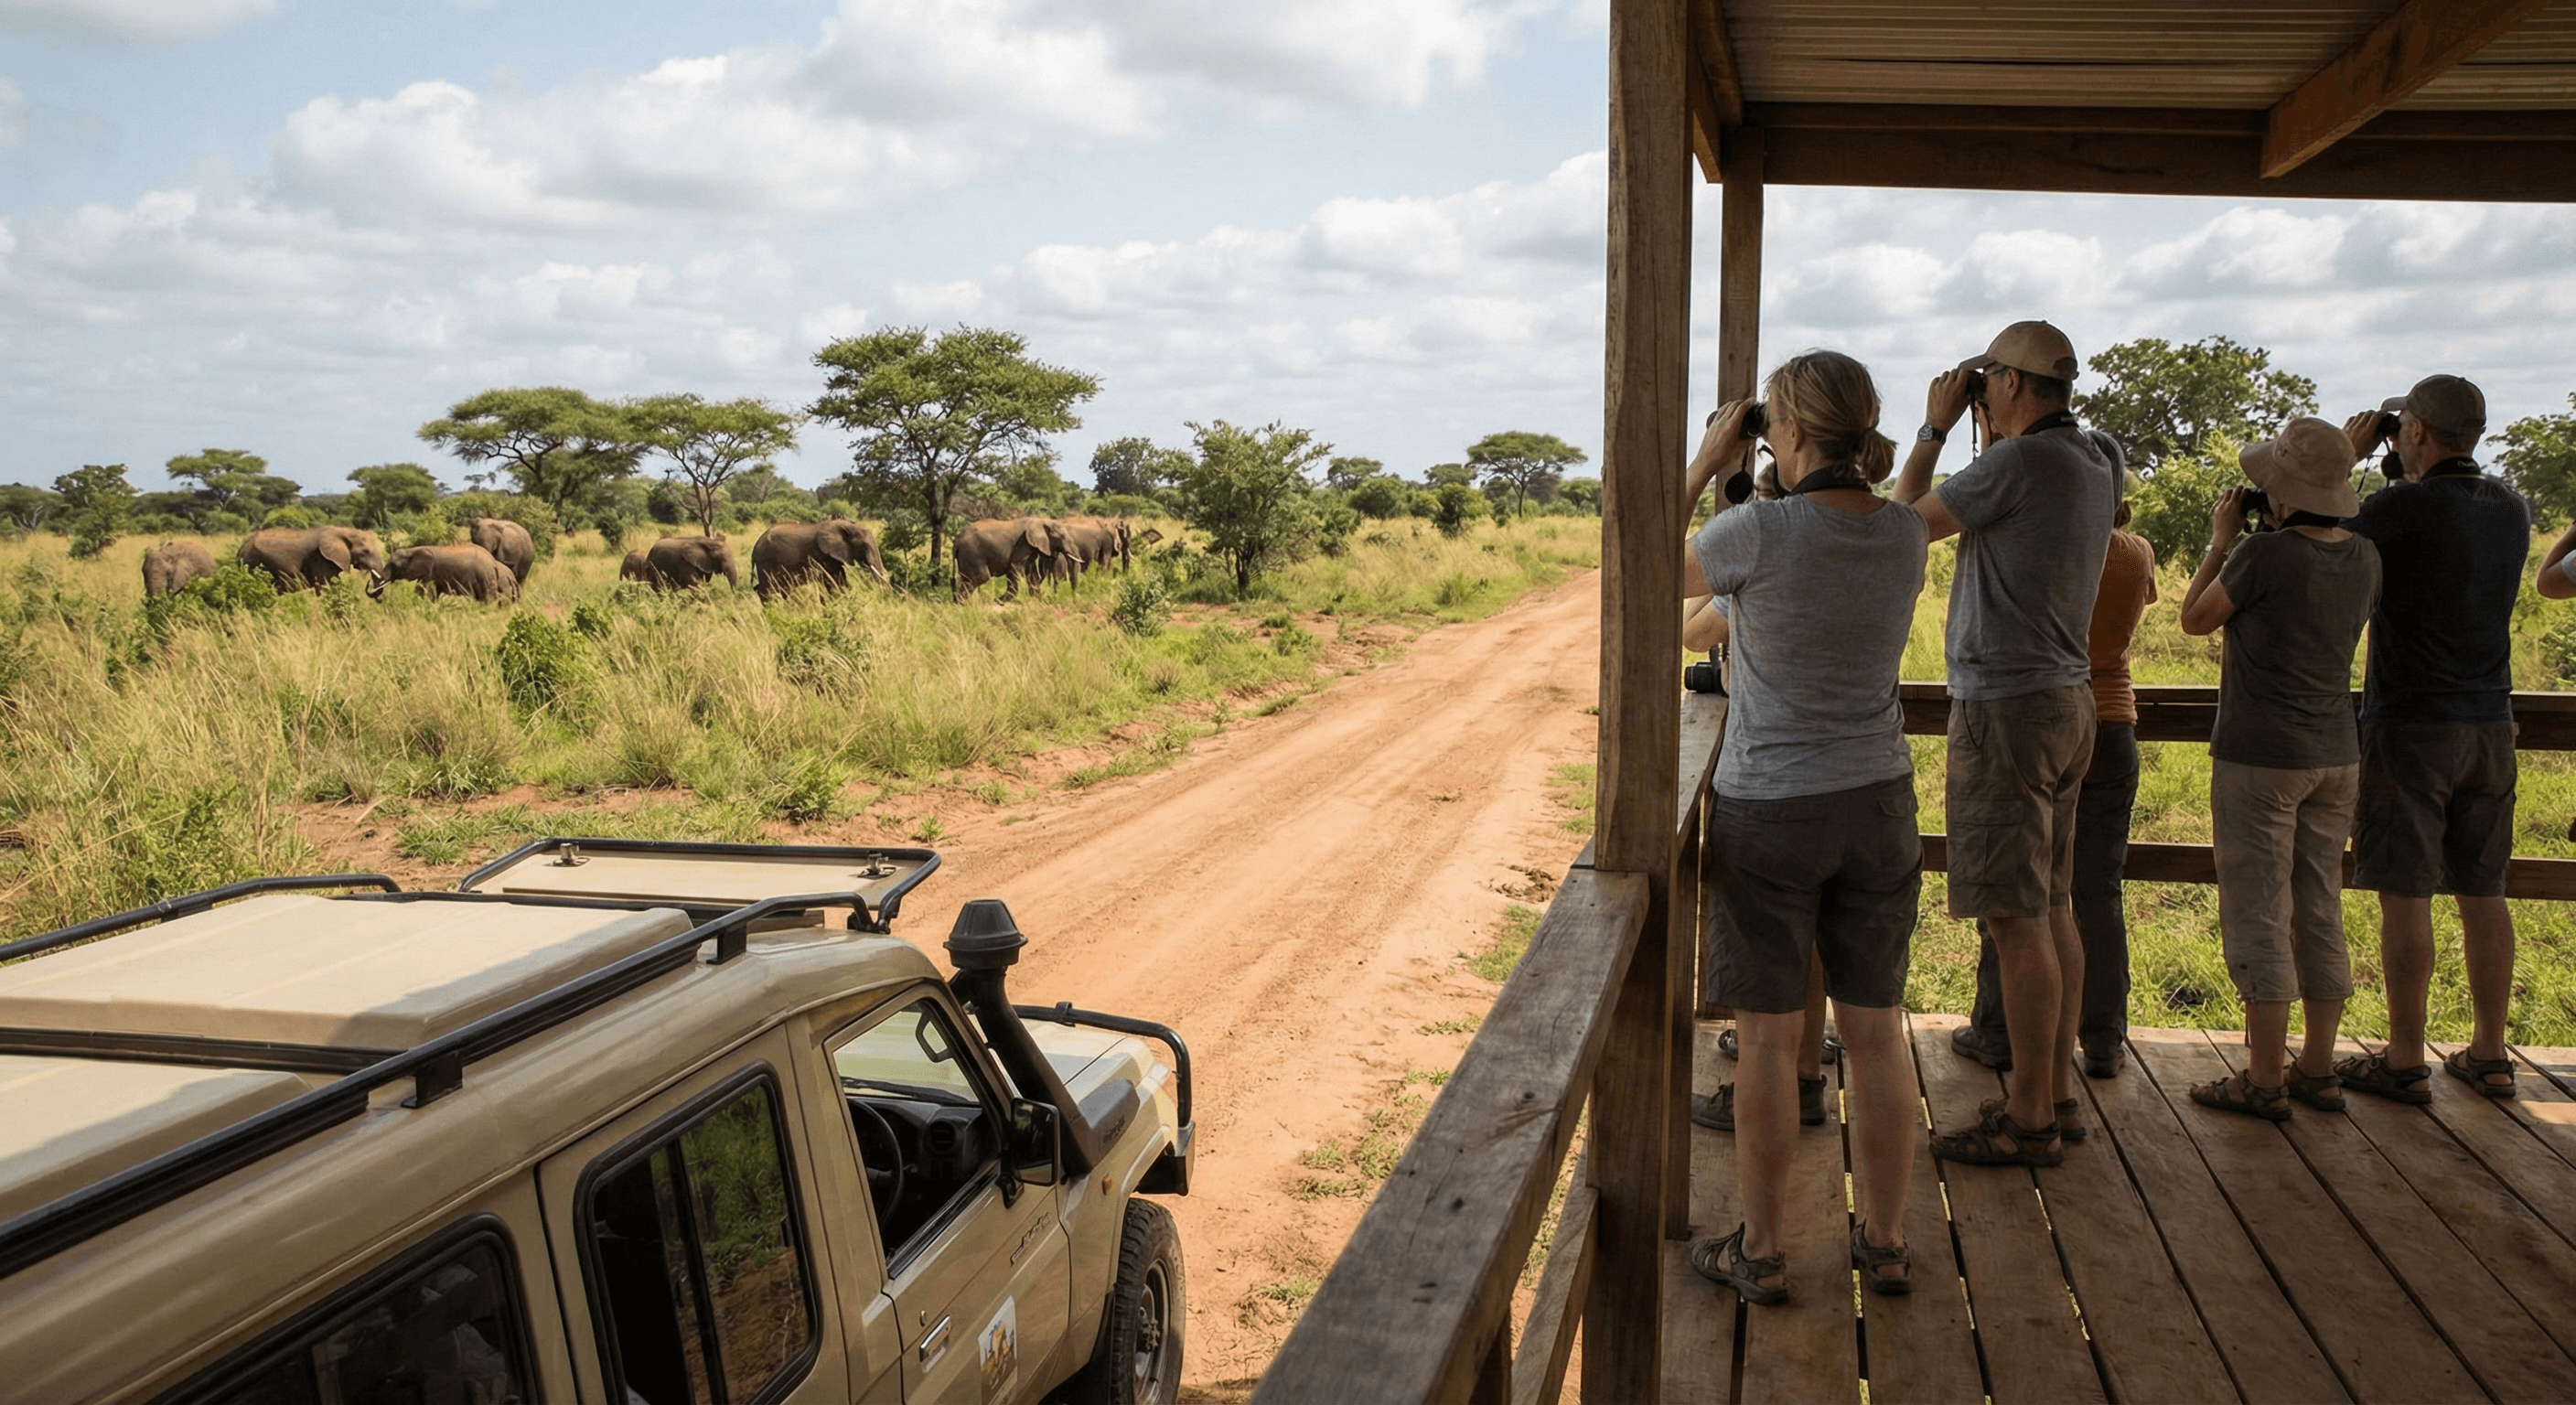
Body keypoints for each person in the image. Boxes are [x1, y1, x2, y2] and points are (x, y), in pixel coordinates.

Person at [1679, 350, 1927, 1306]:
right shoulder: (1902, 532)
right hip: (1877, 797)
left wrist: (1705, 459)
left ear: (1784, 429)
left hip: (1772, 804)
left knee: (1772, 1043)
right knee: (1875, 1036)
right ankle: (1889, 1239)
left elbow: (1643, 575)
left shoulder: (1759, 531)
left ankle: (1767, 1249)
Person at [1894, 320, 2120, 1168]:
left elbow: (1899, 525)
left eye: (1988, 377)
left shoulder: (2018, 462)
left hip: (2008, 707)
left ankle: (2028, 1115)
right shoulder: (2099, 455)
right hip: (2071, 699)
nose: (1980, 388)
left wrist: (1935, 430)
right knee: (2054, 905)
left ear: (2015, 386)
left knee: (2015, 920)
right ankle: (2054, 1094)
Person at [2333, 376, 2530, 1103]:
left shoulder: (2401, 506)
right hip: (2491, 721)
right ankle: (2489, 1052)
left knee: (2405, 892)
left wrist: (2347, 458)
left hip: (2412, 722)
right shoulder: (2511, 507)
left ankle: (2406, 1056)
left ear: (2414, 432)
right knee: (2485, 891)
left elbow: (2320, 534)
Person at [2176, 419, 2380, 1118]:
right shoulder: (2366, 556)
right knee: (2319, 906)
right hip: (2337, 753)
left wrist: (2220, 541)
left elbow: (2195, 620)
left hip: (2261, 755)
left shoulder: (2263, 555)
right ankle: (2317, 1068)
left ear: (2282, 495)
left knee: (2260, 911)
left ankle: (2262, 1076)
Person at [1954, 500, 2156, 1080]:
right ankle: (2101, 1039)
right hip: (2114, 722)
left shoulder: (2062, 550)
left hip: (2044, 719)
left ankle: (1998, 1032)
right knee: (2095, 890)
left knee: (2019, 889)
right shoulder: (2135, 551)